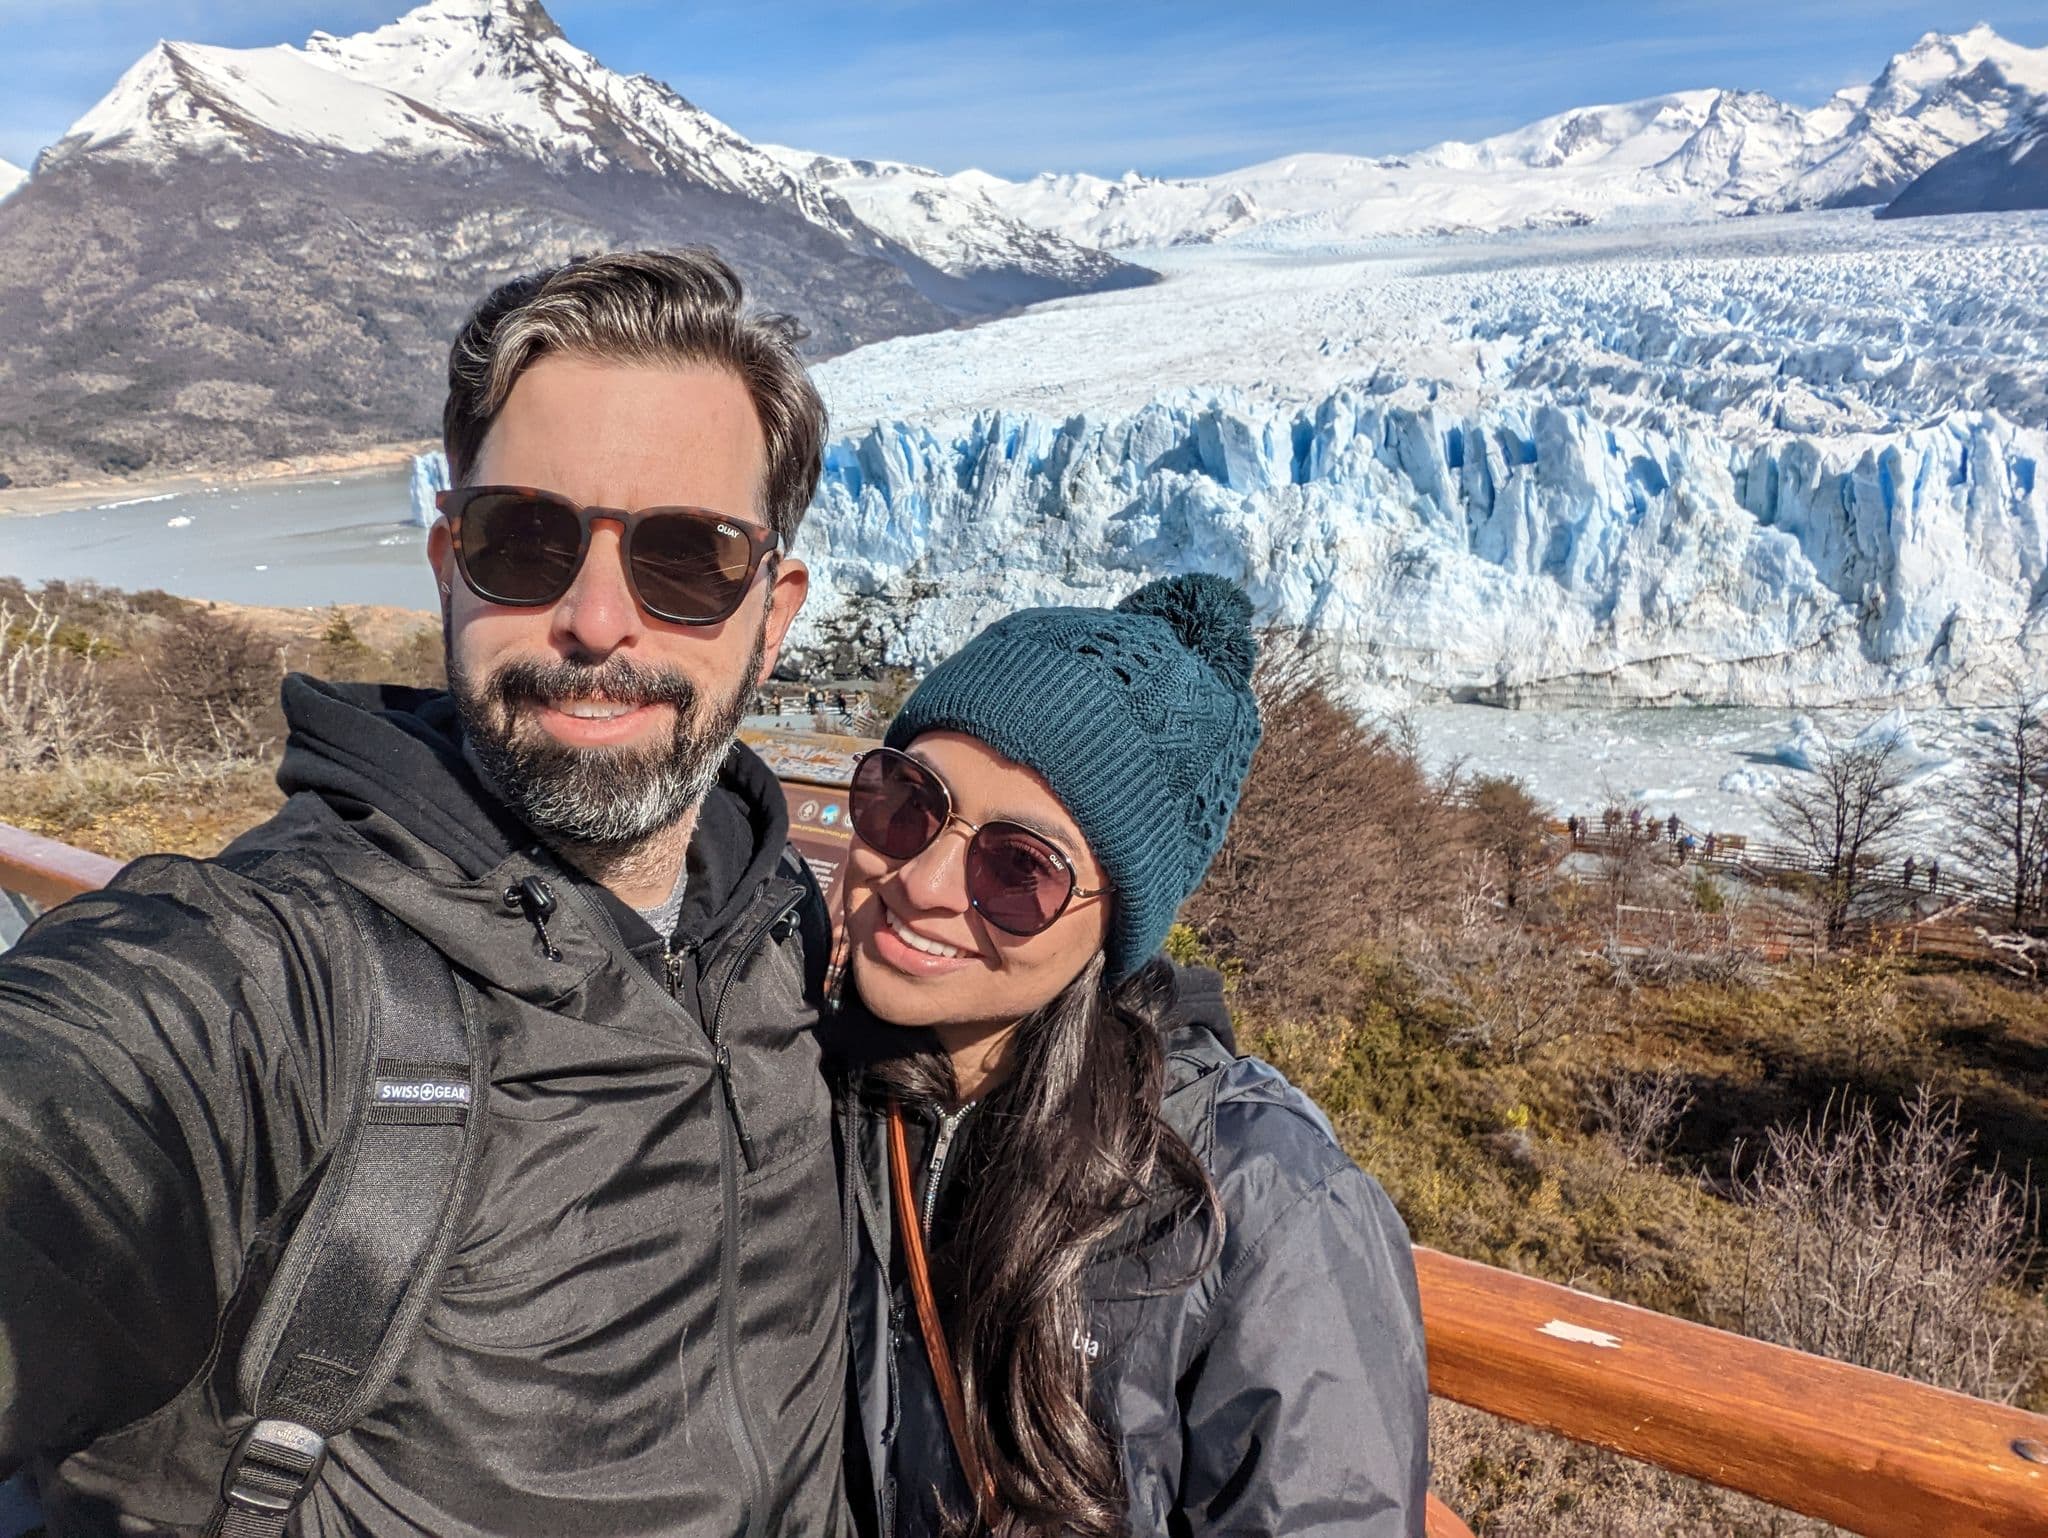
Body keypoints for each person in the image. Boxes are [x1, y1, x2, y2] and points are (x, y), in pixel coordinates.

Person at [0, 250, 854, 1534]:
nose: (598, 619)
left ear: (771, 610)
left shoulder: (783, 932)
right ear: (449, 558)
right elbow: (75, 1117)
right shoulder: (276, 973)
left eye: (688, 557)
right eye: (528, 540)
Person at [831, 575, 1428, 1537]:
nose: (924, 881)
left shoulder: (1257, 1202)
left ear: (1117, 925)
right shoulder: (823, 1086)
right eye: (908, 803)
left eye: (1018, 868)